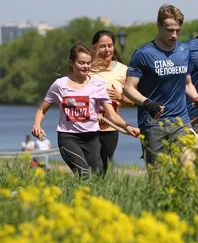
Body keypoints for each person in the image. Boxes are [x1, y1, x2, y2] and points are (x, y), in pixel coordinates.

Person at [31, 43, 140, 176]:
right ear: (71, 63)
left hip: (92, 138)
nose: (86, 66)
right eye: (81, 63)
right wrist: (37, 125)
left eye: (88, 63)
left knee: (98, 176)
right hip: (68, 137)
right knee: (83, 173)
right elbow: (41, 110)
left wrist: (127, 127)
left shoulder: (98, 86)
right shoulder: (60, 85)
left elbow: (112, 114)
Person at [124, 4, 198, 166]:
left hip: (181, 122)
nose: (174, 35)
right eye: (169, 30)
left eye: (178, 30)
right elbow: (128, 88)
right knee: (158, 178)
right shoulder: (143, 54)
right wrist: (147, 103)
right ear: (159, 26)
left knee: (187, 170)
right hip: (153, 124)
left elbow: (187, 83)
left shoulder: (184, 51)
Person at [90, 30, 134, 172]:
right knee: (91, 166)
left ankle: (99, 192)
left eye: (110, 45)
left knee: (103, 167)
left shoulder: (122, 70)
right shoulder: (86, 68)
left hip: (111, 127)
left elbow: (132, 101)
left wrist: (119, 97)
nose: (107, 50)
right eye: (102, 46)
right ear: (94, 48)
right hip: (88, 126)